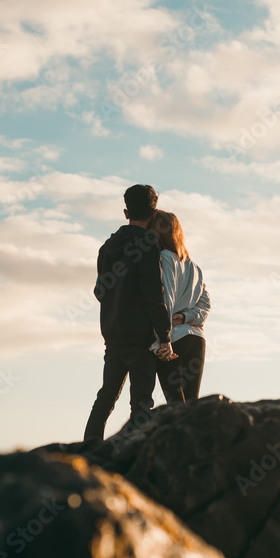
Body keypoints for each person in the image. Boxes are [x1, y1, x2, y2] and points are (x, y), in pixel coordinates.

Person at [83, 185, 174, 442]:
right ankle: (133, 453)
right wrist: (164, 335)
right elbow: (152, 293)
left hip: (112, 334)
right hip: (140, 337)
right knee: (142, 403)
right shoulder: (149, 243)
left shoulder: (106, 247)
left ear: (126, 212)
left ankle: (89, 450)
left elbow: (100, 291)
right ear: (154, 213)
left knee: (106, 397)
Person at [148, 210, 210, 404]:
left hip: (174, 339)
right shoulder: (193, 266)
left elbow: (166, 298)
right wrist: (186, 317)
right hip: (197, 340)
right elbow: (205, 305)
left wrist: (160, 341)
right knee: (191, 404)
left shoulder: (165, 258)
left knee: (176, 405)